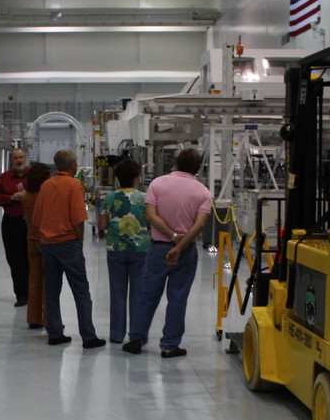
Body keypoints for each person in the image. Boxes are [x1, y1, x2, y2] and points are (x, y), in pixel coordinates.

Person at [123, 147, 212, 358]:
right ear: (197, 168)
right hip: (186, 251)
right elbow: (200, 225)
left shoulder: (157, 184)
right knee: (178, 298)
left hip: (158, 249)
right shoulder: (203, 192)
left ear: (177, 162)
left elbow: (151, 216)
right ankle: (170, 345)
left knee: (147, 295)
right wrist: (180, 246)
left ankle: (136, 338)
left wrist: (172, 237)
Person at [32, 149, 105, 349]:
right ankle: (88, 336)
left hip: (48, 244)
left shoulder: (46, 185)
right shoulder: (74, 184)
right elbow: (78, 218)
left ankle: (54, 333)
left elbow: (36, 218)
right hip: (68, 243)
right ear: (73, 165)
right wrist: (79, 242)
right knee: (81, 290)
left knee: (52, 290)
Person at [97, 158, 150, 344]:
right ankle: (136, 335)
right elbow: (151, 223)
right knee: (138, 294)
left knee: (117, 293)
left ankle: (116, 335)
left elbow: (102, 225)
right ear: (137, 178)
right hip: (140, 250)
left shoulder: (109, 198)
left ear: (117, 178)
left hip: (116, 250)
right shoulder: (144, 198)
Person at [0, 147, 31, 307]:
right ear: (11, 160)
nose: (19, 160)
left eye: (21, 157)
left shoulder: (33, 177)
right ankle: (21, 295)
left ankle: (34, 293)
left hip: (31, 222)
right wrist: (11, 197)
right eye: (16, 158)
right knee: (15, 260)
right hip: (12, 223)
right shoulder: (3, 179)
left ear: (25, 158)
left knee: (32, 258)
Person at [20, 162, 53, 330]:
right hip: (46, 240)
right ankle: (49, 319)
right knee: (49, 281)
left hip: (31, 239)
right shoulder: (46, 196)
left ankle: (33, 318)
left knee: (34, 280)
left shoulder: (26, 196)